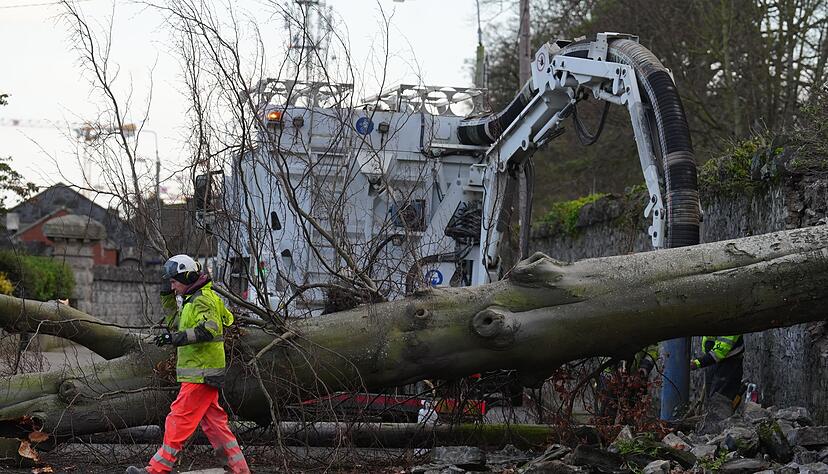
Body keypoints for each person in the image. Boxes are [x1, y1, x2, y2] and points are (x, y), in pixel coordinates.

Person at [126, 255, 250, 474]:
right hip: (201, 372)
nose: (172, 286)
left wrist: (173, 339)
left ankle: (156, 470)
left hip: (201, 373)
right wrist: (166, 295)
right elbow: (176, 322)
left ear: (188, 276)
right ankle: (239, 469)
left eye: (174, 282)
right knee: (215, 426)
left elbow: (208, 330)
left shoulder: (203, 299)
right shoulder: (192, 300)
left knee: (178, 420)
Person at [691, 334, 744, 408]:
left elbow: (718, 354)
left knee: (720, 403)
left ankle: (719, 418)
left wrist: (697, 363)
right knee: (711, 401)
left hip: (729, 364)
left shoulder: (731, 326)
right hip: (713, 362)